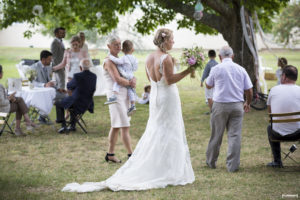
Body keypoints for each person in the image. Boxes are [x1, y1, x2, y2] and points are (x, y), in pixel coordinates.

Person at [62, 28, 195, 193]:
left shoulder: (149, 57)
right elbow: (169, 80)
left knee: (157, 129)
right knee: (170, 129)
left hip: (155, 98)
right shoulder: (166, 58)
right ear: (165, 41)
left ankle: (159, 164)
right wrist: (188, 71)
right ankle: (168, 168)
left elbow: (151, 79)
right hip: (167, 97)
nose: (173, 42)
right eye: (172, 39)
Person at [205, 46, 253, 172]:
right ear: (233, 56)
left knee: (216, 135)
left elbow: (208, 85)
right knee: (235, 136)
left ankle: (211, 162)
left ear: (220, 57)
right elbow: (249, 89)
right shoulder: (241, 69)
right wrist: (248, 102)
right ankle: (232, 166)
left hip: (220, 105)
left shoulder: (216, 68)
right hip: (237, 105)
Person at [266, 65, 300, 168]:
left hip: (276, 134)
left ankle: (277, 161)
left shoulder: (274, 90)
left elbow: (270, 112)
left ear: (284, 76)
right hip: (298, 133)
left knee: (269, 127)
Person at [55, 59, 96, 133]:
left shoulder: (77, 76)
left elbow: (69, 86)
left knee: (59, 104)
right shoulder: (94, 76)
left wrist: (70, 81)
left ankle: (63, 125)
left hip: (77, 103)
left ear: (80, 67)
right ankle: (72, 126)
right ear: (89, 67)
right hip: (88, 103)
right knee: (72, 104)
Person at [0, 65, 36, 136]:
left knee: (19, 100)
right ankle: (25, 123)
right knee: (20, 103)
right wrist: (9, 99)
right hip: (2, 109)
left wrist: (9, 97)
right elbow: (1, 102)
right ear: (0, 74)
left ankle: (26, 121)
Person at [105, 40, 138, 116]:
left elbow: (117, 61)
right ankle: (133, 105)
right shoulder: (135, 59)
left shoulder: (124, 58)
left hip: (125, 74)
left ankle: (114, 96)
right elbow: (135, 68)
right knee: (130, 89)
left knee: (117, 82)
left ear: (123, 50)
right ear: (133, 49)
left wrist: (110, 57)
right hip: (131, 75)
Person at [30, 50, 57, 124]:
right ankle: (42, 117)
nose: (51, 61)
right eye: (49, 59)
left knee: (59, 95)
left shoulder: (48, 67)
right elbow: (32, 82)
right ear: (43, 59)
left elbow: (49, 79)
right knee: (52, 97)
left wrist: (52, 82)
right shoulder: (34, 67)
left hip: (48, 90)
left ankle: (43, 117)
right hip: (39, 91)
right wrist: (44, 85)